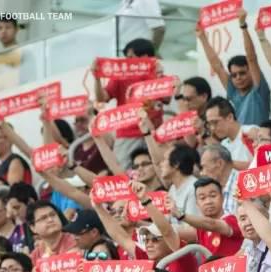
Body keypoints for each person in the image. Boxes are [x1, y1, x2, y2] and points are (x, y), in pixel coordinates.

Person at [93, 38, 161, 171]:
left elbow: (166, 98)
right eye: (126, 57)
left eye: (130, 57)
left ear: (145, 57)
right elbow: (102, 97)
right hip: (127, 134)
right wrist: (97, 78)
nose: (126, 61)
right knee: (124, 175)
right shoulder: (120, 76)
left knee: (157, 171)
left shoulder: (158, 74)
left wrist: (157, 74)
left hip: (154, 132)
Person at [197, 8, 270, 125]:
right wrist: (202, 38)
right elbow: (217, 65)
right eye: (234, 75)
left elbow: (251, 58)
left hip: (260, 141)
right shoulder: (232, 91)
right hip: (238, 142)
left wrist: (243, 26)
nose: (238, 78)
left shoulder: (259, 90)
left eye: (242, 73)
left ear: (251, 72)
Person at [154, 177, 243, 257]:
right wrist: (148, 204)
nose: (208, 201)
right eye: (202, 198)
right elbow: (169, 231)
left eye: (213, 196)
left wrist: (180, 214)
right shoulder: (200, 228)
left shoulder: (233, 220)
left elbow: (212, 224)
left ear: (222, 197)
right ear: (197, 203)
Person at [204, 97, 253, 170]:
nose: (212, 128)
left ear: (230, 117)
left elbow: (262, 165)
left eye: (215, 122)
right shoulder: (224, 144)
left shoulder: (251, 132)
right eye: (209, 124)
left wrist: (228, 163)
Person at [0, 16, 35, 91]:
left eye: (8, 27)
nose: (3, 31)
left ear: (16, 30)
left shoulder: (25, 52)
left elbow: (32, 80)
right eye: (0, 28)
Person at [27, 201, 77, 265]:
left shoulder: (75, 240)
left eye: (53, 215)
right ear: (33, 228)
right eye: (43, 218)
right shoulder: (35, 255)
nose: (50, 220)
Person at [162, 144, 200, 221]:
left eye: (164, 159)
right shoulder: (173, 188)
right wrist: (139, 223)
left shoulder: (194, 188)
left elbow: (194, 230)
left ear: (176, 163)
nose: (161, 164)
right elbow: (166, 225)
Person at [199, 145, 239, 216]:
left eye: (205, 167)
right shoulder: (218, 187)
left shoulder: (240, 184)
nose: (202, 173)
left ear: (220, 164)